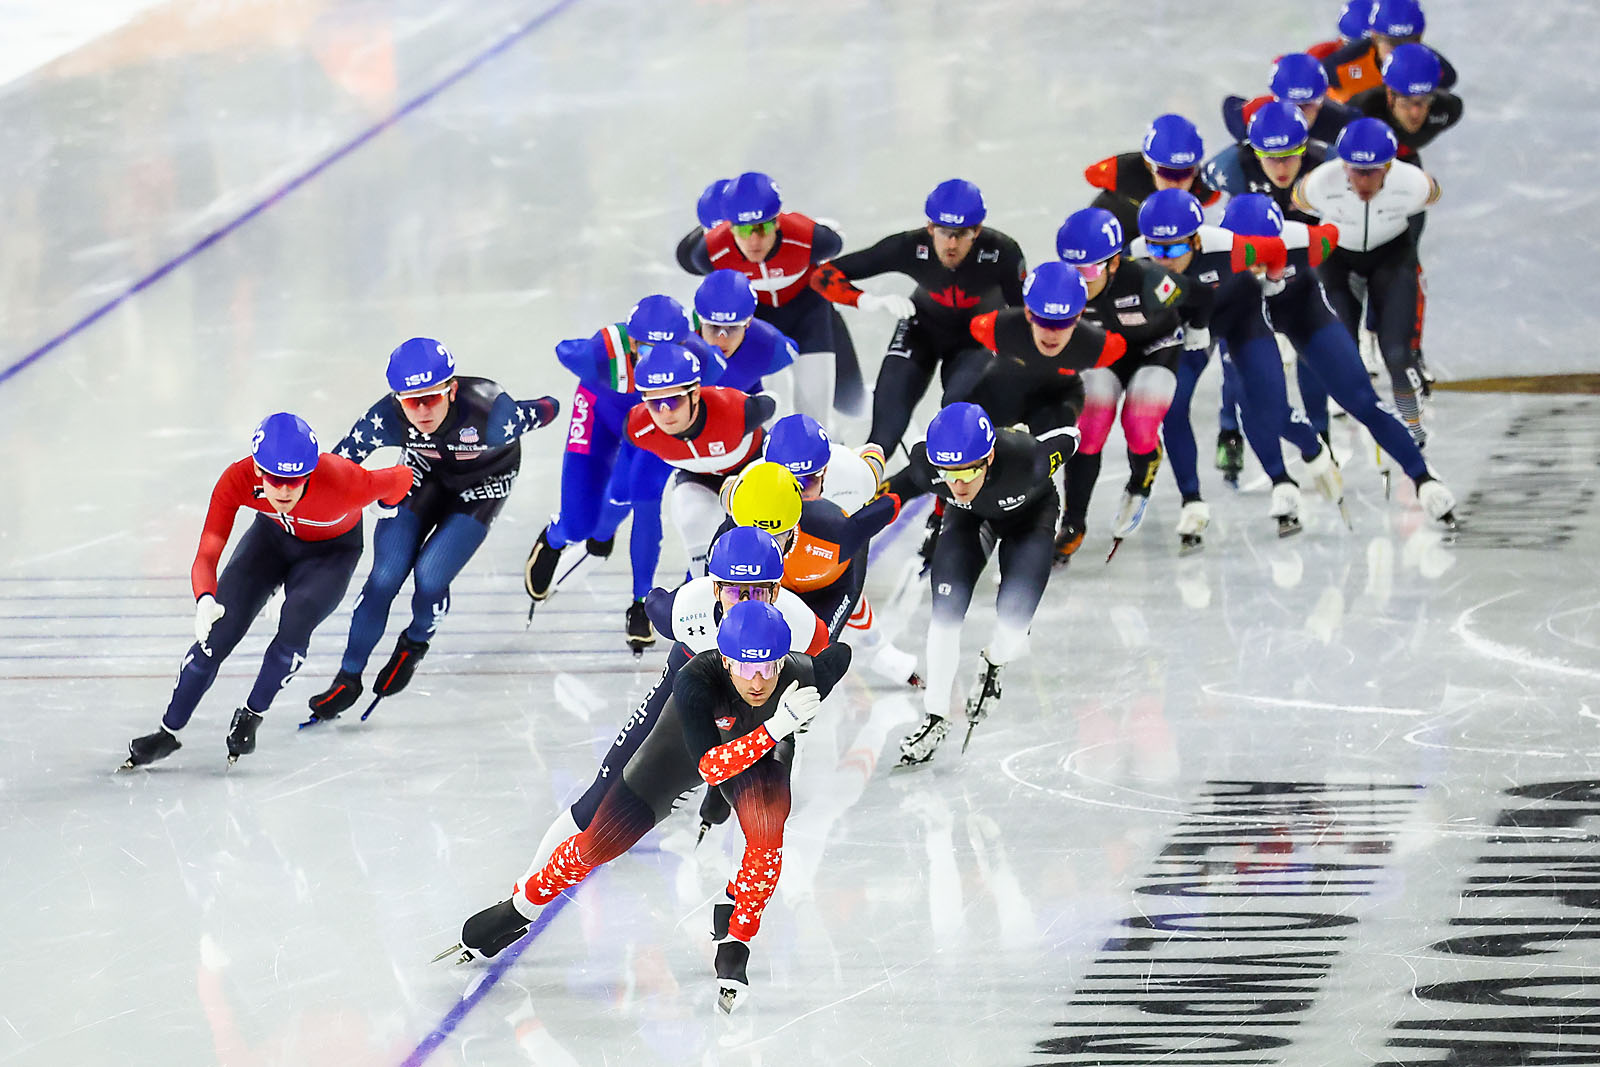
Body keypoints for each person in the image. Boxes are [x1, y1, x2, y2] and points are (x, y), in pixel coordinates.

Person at [442, 600, 852, 1016]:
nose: (760, 680)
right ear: (726, 661)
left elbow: (841, 655)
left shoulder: (801, 674)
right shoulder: (695, 680)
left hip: (758, 756)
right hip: (682, 752)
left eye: (771, 667)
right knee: (596, 847)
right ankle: (521, 906)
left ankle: (737, 942)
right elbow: (710, 767)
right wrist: (777, 726)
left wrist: (796, 712)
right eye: (747, 667)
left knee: (767, 833)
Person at [517, 526, 831, 879]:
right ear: (715, 589)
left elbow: (817, 668)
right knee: (598, 799)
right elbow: (653, 603)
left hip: (749, 704)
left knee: (760, 811)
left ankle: (733, 898)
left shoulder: (803, 626)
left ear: (777, 591)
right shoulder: (685, 608)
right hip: (682, 695)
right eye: (734, 591)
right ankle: (525, 887)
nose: (746, 603)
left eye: (758, 592)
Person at [121, 413, 412, 769]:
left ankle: (252, 715)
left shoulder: (344, 479)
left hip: (332, 553)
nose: (286, 490)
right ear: (258, 470)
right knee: (216, 636)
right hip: (271, 541)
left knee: (297, 617)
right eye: (276, 479)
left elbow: (402, 478)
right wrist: (204, 599)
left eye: (297, 479)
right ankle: (167, 731)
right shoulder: (237, 477)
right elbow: (209, 548)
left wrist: (387, 506)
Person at [304, 338, 561, 721]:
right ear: (397, 400)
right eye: (412, 401)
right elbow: (336, 466)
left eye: (432, 399)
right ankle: (348, 676)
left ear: (452, 391)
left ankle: (415, 642)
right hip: (423, 476)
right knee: (384, 577)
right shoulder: (387, 417)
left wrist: (553, 404)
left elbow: (546, 409)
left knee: (429, 576)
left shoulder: (493, 414)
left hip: (483, 487)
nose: (422, 411)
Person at [1218, 194, 1459, 528]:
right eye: (1249, 257)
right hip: (1245, 321)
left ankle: (1423, 477)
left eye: (1267, 254)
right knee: (1253, 402)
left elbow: (1344, 244)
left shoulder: (1306, 241)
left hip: (1303, 311)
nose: (1258, 266)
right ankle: (1284, 479)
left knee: (1361, 399)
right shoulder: (1212, 259)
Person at [1132, 188, 1343, 546]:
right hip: (1191, 330)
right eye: (1157, 248)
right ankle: (1192, 502)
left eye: (1175, 248)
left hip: (1241, 321)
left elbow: (1276, 250)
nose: (1164, 259)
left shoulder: (1229, 246)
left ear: (1196, 240)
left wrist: (1274, 282)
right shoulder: (1136, 256)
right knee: (1172, 405)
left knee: (1268, 408)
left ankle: (1310, 451)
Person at [523, 296, 726, 650]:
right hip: (602, 415)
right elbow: (564, 349)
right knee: (580, 523)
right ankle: (558, 534)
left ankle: (639, 602)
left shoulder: (701, 361)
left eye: (671, 347)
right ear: (630, 343)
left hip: (653, 425)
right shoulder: (601, 352)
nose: (659, 359)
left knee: (643, 501)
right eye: (648, 348)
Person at [886, 402, 1076, 764]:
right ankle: (936, 716)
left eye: (969, 470)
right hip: (969, 521)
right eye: (948, 472)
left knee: (1015, 621)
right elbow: (901, 485)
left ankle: (994, 662)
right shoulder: (927, 467)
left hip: (1030, 518)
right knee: (945, 614)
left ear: (989, 457)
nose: (957, 483)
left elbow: (1072, 436)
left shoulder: (1027, 459)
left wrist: (1023, 435)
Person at [809, 179, 1028, 454]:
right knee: (883, 435)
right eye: (944, 231)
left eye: (961, 234)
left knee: (958, 417)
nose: (951, 243)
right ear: (929, 227)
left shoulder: (1003, 252)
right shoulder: (910, 246)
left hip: (976, 339)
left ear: (977, 231)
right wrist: (865, 300)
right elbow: (823, 275)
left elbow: (1025, 315)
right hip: (922, 330)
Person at [1292, 118, 1441, 444]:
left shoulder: (1412, 183)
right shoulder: (1319, 183)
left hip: (1391, 258)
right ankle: (1349, 415)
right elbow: (1299, 200)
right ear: (1342, 164)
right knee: (1342, 348)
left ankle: (1413, 425)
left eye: (1372, 171)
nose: (1362, 180)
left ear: (1389, 166)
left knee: (1398, 355)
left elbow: (1433, 193)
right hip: (1338, 261)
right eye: (1354, 170)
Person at [1053, 207, 1187, 561]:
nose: (1081, 280)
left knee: (1139, 425)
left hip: (1155, 351)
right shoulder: (1060, 285)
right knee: (1090, 427)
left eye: (1091, 269)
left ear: (1114, 263)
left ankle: (1140, 481)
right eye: (1074, 270)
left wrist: (1201, 329)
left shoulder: (1146, 279)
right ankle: (1073, 521)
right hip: (1104, 355)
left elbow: (1197, 295)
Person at [756, 417, 920, 686]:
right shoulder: (753, 484)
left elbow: (873, 455)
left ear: (826, 470)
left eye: (809, 480)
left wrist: (864, 461)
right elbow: (728, 496)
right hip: (785, 561)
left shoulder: (855, 476)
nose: (801, 493)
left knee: (818, 643)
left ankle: (879, 652)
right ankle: (880, 651)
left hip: (835, 557)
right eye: (791, 482)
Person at [677, 172, 849, 423]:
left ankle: (831, 450)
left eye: (763, 227)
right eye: (744, 230)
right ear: (729, 227)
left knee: (815, 415)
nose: (755, 240)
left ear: (777, 222)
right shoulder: (708, 253)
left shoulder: (810, 238)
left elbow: (836, 243)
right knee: (771, 411)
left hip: (809, 315)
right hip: (761, 321)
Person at [625, 343, 776, 583]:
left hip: (751, 471)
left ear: (695, 393)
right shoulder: (637, 428)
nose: (665, 413)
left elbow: (770, 402)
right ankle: (706, 592)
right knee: (692, 518)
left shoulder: (734, 410)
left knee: (762, 539)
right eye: (654, 404)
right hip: (698, 477)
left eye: (673, 401)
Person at [1083, 113, 1224, 244]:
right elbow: (1091, 174)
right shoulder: (1122, 172)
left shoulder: (1205, 190)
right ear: (1149, 165)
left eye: (1185, 172)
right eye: (1167, 172)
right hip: (1106, 233)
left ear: (1196, 171)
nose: (1176, 182)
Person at [1348, 42, 1463, 169]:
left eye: (1423, 101)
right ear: (1390, 97)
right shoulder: (1361, 110)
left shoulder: (1447, 109)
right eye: (1406, 102)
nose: (1415, 112)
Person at [1324, 0, 1457, 103]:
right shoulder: (1338, 67)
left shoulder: (1439, 71)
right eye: (1391, 42)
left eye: (1409, 41)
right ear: (1375, 38)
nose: (1400, 50)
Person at [692, 269, 798, 396]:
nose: (721, 339)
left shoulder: (771, 346)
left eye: (732, 328)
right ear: (700, 320)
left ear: (748, 323)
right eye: (713, 327)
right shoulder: (678, 345)